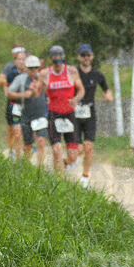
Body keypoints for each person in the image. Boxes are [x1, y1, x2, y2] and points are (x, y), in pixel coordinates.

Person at [39, 45, 85, 174]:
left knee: (74, 155)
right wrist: (44, 98)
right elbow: (37, 91)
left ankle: (65, 163)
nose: (58, 64)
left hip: (69, 114)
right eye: (55, 61)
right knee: (57, 150)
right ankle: (59, 179)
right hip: (54, 114)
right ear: (50, 59)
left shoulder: (72, 71)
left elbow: (81, 89)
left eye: (60, 60)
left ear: (63, 58)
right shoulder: (44, 74)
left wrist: (76, 99)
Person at [74, 43, 114, 187]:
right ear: (79, 57)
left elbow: (106, 89)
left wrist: (108, 95)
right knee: (77, 150)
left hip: (90, 114)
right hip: (75, 114)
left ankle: (85, 178)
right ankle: (68, 163)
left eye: (88, 55)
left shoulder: (97, 75)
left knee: (89, 147)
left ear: (92, 56)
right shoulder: (74, 73)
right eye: (83, 55)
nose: (86, 57)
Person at [8, 55, 48, 166]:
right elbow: (9, 93)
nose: (33, 70)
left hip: (40, 114)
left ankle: (40, 169)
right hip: (26, 115)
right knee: (28, 145)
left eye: (36, 67)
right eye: (31, 68)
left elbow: (51, 90)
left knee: (41, 141)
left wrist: (50, 98)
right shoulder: (20, 79)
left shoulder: (43, 78)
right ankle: (25, 166)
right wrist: (22, 95)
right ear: (26, 67)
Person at [0, 46, 26, 159]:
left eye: (23, 58)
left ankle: (25, 150)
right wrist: (7, 89)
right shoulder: (10, 69)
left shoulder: (31, 71)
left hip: (27, 104)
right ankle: (11, 150)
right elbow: (1, 82)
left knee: (23, 129)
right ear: (14, 59)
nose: (21, 61)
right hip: (13, 103)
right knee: (12, 129)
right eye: (18, 58)